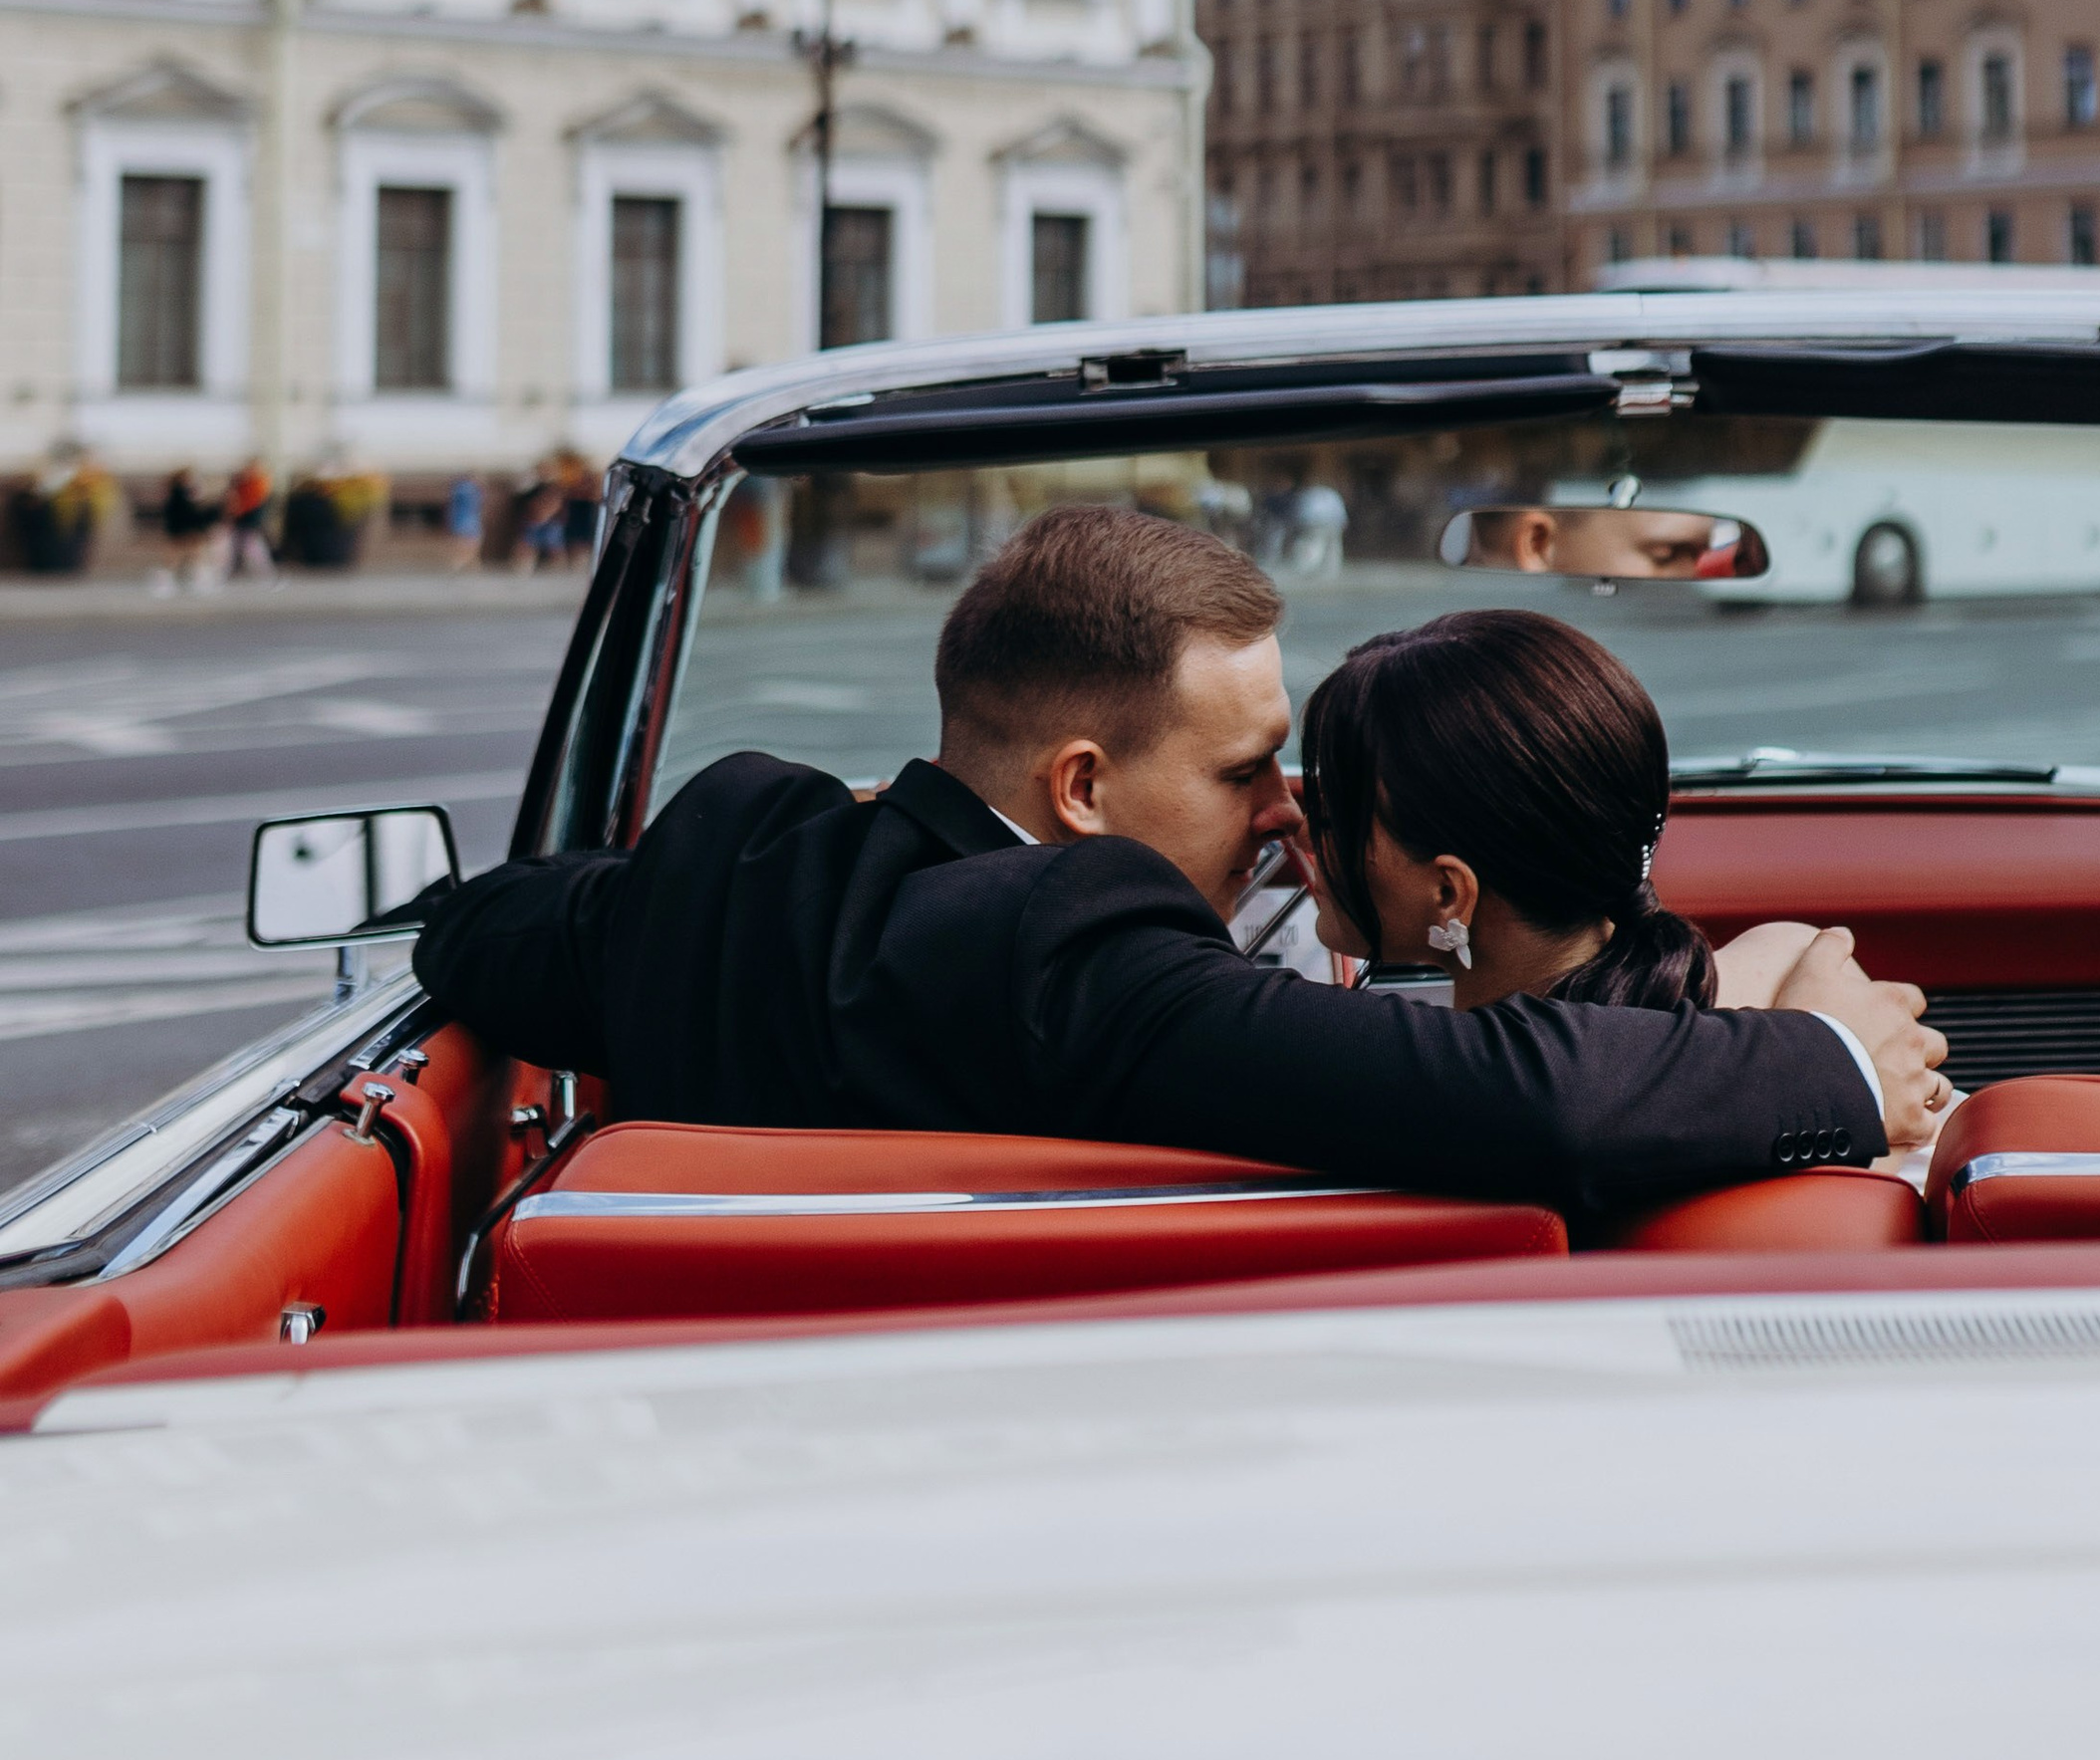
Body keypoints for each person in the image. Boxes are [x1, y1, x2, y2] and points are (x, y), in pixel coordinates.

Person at [415, 505, 1940, 1222]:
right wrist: (1823, 1057)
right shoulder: (1090, 953)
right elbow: (1507, 1099)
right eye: (1240, 767)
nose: (1286, 809)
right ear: (1080, 789)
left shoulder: (731, 849)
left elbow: (479, 933)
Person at [1299, 611, 1948, 1126]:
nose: (1297, 827)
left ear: (1449, 892)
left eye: (1332, 819)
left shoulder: (1459, 1101)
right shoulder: (1798, 961)